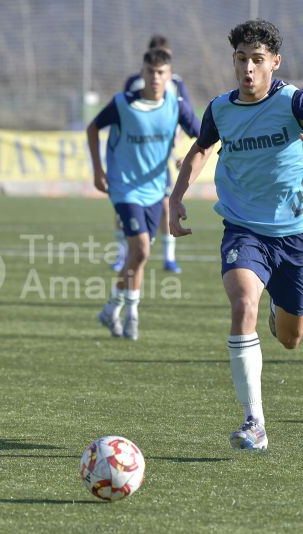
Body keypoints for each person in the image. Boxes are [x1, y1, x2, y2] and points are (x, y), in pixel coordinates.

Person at [169, 20, 303, 450]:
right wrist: (176, 196)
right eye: (241, 59)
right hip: (244, 228)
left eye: (257, 60)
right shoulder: (220, 108)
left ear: (274, 62)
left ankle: (281, 309)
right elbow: (201, 148)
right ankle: (254, 421)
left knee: (291, 338)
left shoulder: (294, 101)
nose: (248, 69)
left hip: (299, 233)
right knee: (242, 303)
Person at [88, 48, 200, 341]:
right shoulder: (123, 103)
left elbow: (204, 137)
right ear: (142, 73)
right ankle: (132, 316)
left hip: (155, 191)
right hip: (124, 188)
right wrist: (98, 170)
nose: (155, 78)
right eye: (150, 72)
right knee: (141, 250)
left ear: (169, 76)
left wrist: (188, 156)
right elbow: (93, 128)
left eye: (161, 72)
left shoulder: (176, 105)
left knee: (137, 257)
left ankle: (113, 309)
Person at [111, 34, 194, 274]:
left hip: (160, 156)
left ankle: (169, 257)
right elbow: (124, 114)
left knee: (166, 204)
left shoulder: (176, 84)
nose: (157, 74)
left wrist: (179, 145)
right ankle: (121, 255)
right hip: (132, 158)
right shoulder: (134, 82)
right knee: (123, 208)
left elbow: (185, 116)